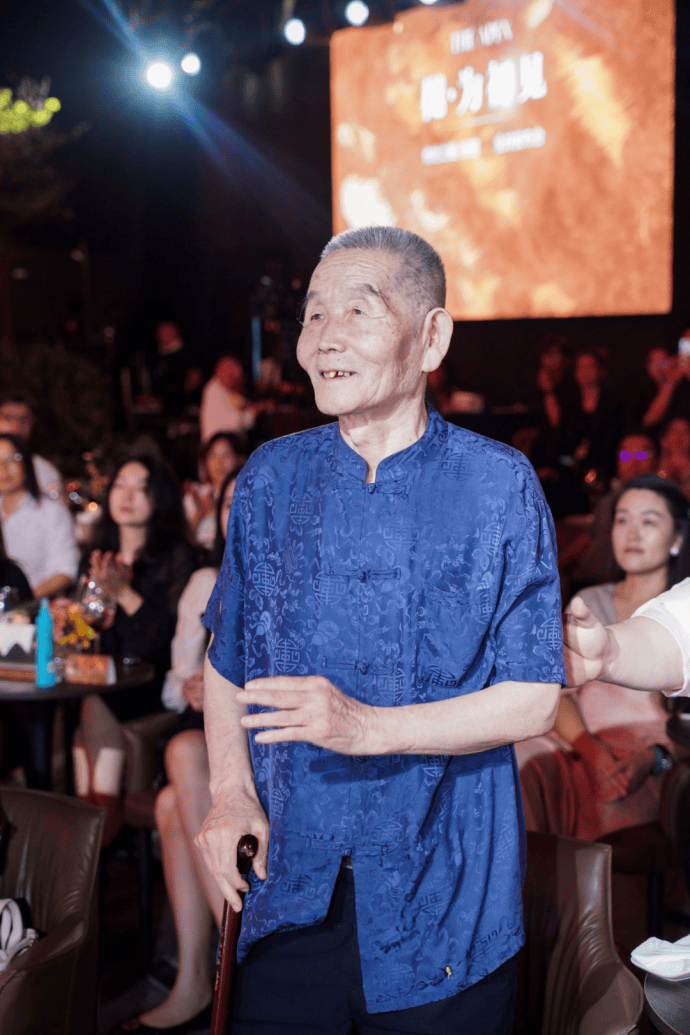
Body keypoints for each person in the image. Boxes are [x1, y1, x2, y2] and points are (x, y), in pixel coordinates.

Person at [195, 226, 564, 1035]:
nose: (324, 338)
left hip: (446, 902)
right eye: (312, 315)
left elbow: (535, 696)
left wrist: (365, 727)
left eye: (358, 312)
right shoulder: (270, 478)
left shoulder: (499, 484)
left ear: (431, 337)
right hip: (290, 884)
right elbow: (228, 654)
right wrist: (229, 792)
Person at [117, 469, 241, 1034]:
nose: (237, 510)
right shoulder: (207, 579)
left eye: (248, 499)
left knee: (176, 784)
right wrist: (190, 686)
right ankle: (214, 969)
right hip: (207, 724)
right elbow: (175, 679)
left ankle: (217, 969)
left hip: (262, 733)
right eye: (228, 502)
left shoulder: (295, 576)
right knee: (183, 756)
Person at [517, 475, 688, 839]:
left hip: (648, 751)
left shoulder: (682, 617)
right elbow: (560, 691)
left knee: (615, 799)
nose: (632, 534)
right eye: (622, 519)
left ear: (677, 538)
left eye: (648, 521)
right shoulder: (589, 601)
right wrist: (590, 750)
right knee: (519, 763)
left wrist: (655, 757)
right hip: (579, 739)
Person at [71, 456, 196, 845]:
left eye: (140, 488)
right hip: (105, 681)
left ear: (159, 498)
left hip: (153, 683)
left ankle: (95, 837)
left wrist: (123, 593)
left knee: (93, 708)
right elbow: (88, 638)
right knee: (88, 711)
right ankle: (97, 831)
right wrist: (73, 619)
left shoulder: (176, 556)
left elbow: (165, 639)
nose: (126, 496)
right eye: (120, 485)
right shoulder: (97, 555)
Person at [567, 428, 659, 586]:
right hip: (584, 582)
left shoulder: (663, 505)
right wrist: (555, 567)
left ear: (657, 461)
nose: (633, 461)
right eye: (625, 455)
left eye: (642, 455)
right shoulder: (608, 500)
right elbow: (588, 538)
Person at [0, 433, 78, 598]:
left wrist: (22, 600)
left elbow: (66, 570)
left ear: (26, 462)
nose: (3, 468)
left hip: (37, 606)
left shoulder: (50, 511)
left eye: (11, 459)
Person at [182, 432, 245, 549]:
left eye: (226, 455)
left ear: (238, 459)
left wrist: (215, 511)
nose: (219, 462)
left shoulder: (247, 495)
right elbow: (183, 541)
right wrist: (200, 513)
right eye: (213, 455)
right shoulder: (195, 495)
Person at [0, 393, 64, 501]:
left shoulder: (43, 471)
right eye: (8, 418)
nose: (16, 426)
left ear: (32, 423)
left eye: (24, 420)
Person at [199, 357, 257, 442]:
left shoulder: (225, 390)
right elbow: (231, 424)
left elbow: (242, 402)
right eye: (234, 379)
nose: (237, 384)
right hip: (219, 446)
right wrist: (254, 412)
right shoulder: (213, 390)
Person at [658, 416, 690, 499]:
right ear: (663, 438)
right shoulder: (654, 465)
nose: (679, 437)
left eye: (685, 432)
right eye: (673, 431)